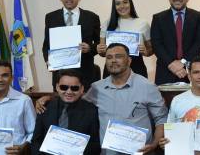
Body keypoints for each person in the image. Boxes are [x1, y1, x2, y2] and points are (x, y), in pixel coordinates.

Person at [37, 43, 167, 155]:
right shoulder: (97, 88)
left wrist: (155, 144)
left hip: (139, 151)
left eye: (119, 56)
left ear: (129, 61)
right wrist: (47, 97)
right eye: (109, 57)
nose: (113, 61)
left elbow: (161, 119)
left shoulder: (147, 87)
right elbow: (72, 94)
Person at [42, 0, 100, 89]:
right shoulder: (51, 17)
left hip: (85, 75)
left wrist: (90, 48)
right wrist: (48, 61)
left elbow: (100, 44)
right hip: (60, 75)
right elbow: (46, 45)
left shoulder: (92, 17)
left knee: (85, 106)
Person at [30, 69, 100, 154]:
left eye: (74, 88)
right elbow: (36, 141)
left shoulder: (91, 111)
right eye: (64, 87)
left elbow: (94, 145)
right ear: (57, 87)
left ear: (82, 89)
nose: (69, 92)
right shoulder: (45, 107)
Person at [150, 0, 200, 85]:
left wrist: (182, 62)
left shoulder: (198, 17)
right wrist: (171, 64)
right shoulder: (158, 18)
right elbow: (156, 45)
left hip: (190, 71)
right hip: (165, 70)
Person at [96, 0, 153, 78]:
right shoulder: (107, 23)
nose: (122, 6)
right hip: (112, 69)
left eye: (125, 2)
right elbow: (103, 53)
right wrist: (100, 50)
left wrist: (145, 51)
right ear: (114, 6)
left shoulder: (142, 23)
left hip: (136, 68)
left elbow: (151, 49)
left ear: (131, 3)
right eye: (118, 3)